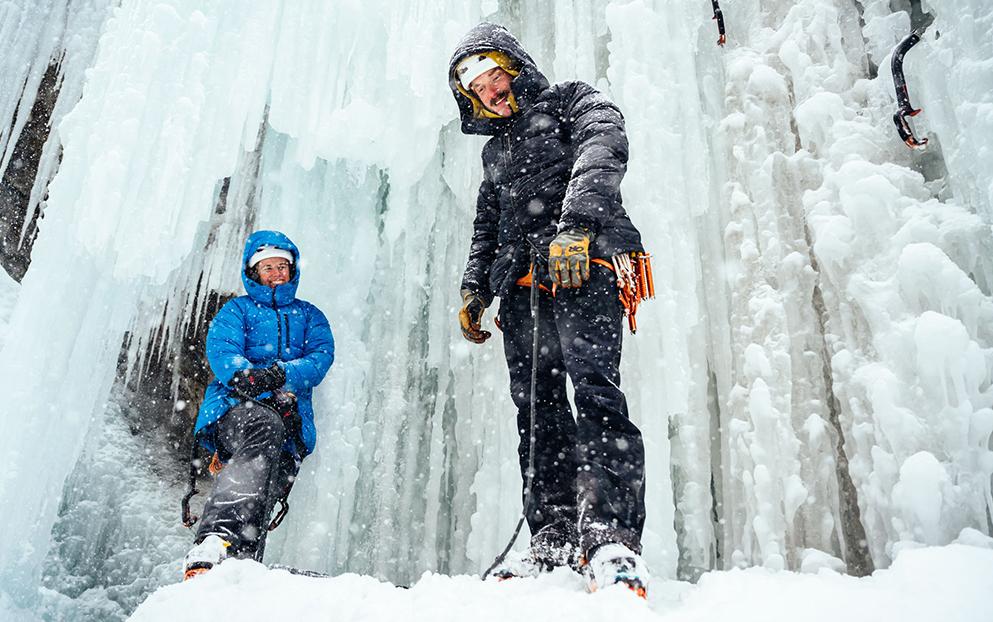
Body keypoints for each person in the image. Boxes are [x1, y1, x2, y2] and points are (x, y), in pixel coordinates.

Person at [448, 23, 650, 595]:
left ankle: (610, 538)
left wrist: (578, 226)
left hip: (583, 269)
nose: (487, 88)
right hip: (522, 291)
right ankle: (555, 538)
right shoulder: (494, 153)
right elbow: (487, 224)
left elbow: (604, 140)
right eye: (475, 85)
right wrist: (474, 289)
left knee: (595, 397)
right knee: (537, 415)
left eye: (492, 74)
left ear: (513, 68)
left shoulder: (570, 101)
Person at [183, 230, 334, 580]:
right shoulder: (237, 311)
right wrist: (251, 378)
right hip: (236, 410)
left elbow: (320, 357)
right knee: (263, 428)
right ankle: (216, 536)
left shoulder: (310, 316)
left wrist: (280, 374)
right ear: (254, 273)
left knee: (268, 484)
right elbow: (222, 352)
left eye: (283, 266)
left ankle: (238, 569)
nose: (277, 273)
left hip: (290, 424)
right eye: (268, 267)